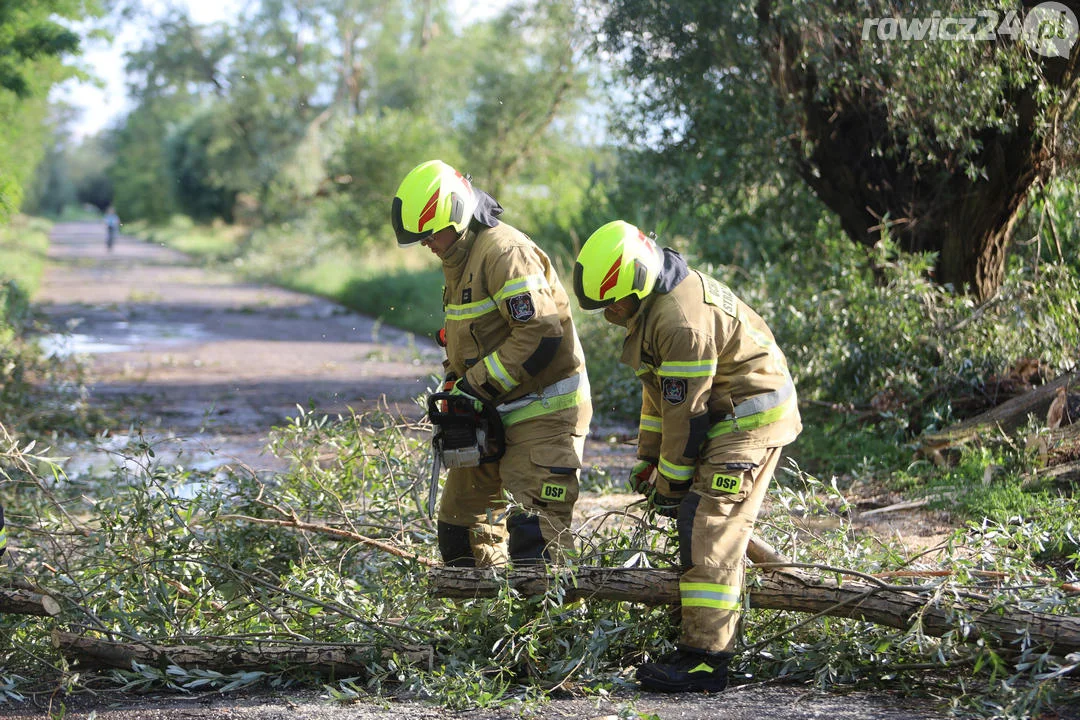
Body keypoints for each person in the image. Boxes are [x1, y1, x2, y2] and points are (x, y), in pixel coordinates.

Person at [572, 220, 802, 693]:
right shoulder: (656, 305)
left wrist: (671, 481)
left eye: (610, 304)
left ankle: (705, 659)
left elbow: (687, 416)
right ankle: (702, 625)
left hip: (749, 418)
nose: (608, 315)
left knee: (707, 521)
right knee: (699, 516)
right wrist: (648, 457)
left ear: (633, 284)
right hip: (724, 413)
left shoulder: (679, 322)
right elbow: (660, 397)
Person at [391, 160, 592, 566]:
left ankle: (552, 628)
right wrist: (452, 385)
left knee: (534, 538)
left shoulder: (505, 252)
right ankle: (485, 628)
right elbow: (467, 339)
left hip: (543, 412)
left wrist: (473, 387)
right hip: (491, 409)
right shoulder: (459, 259)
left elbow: (540, 334)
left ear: (457, 216)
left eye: (430, 234)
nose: (427, 244)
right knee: (459, 531)